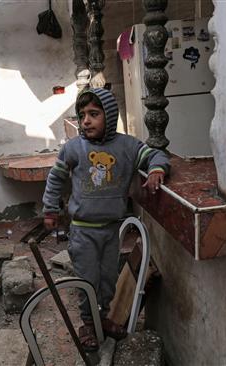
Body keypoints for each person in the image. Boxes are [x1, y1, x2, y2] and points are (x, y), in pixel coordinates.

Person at [42, 88, 169, 351]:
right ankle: (88, 324)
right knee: (88, 280)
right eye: (82, 115)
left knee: (108, 279)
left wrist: (157, 169)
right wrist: (50, 209)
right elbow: (55, 179)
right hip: (83, 232)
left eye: (93, 114)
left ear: (109, 116)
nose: (85, 120)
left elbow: (155, 155)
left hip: (112, 231)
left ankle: (104, 318)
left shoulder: (127, 146)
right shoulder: (73, 148)